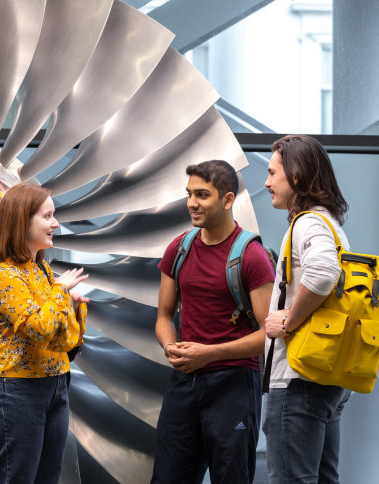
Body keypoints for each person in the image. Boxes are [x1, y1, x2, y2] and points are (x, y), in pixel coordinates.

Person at [151, 160, 275, 484]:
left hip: (234, 385)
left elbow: (268, 335)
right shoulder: (178, 249)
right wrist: (170, 347)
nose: (192, 202)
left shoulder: (252, 256)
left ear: (228, 199)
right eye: (189, 193)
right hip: (185, 382)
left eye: (202, 195)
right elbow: (164, 315)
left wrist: (209, 353)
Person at [0, 183, 89, 484]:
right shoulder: (3, 275)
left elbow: (65, 340)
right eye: (47, 216)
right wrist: (61, 292)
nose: (55, 224)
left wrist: (71, 306)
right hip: (14, 391)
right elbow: (40, 329)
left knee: (47, 478)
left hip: (55, 385)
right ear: (21, 221)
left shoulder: (41, 272)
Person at [262, 135, 351, 484]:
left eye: (272, 173)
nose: (266, 182)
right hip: (326, 376)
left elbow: (323, 271)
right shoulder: (331, 224)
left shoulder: (308, 223)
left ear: (296, 176)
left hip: (297, 377)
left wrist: (287, 321)